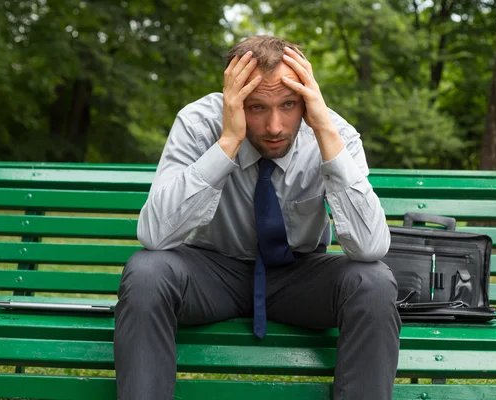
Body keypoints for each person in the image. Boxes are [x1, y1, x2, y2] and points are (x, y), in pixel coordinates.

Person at [114, 35, 401, 400]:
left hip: (300, 276)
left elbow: (370, 246)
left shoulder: (335, 134)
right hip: (212, 272)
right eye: (256, 108)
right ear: (232, 100)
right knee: (147, 272)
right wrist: (228, 142)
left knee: (373, 282)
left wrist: (326, 133)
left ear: (306, 99)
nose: (275, 126)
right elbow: (154, 234)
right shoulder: (198, 124)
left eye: (289, 104)